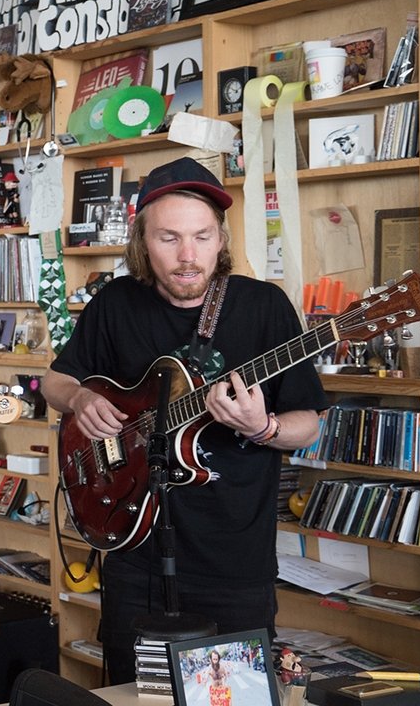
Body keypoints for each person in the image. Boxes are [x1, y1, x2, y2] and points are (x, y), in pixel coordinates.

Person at [40, 157, 327, 684]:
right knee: (134, 694)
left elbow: (307, 424)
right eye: (169, 238)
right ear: (142, 242)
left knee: (231, 696)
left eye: (201, 236)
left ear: (221, 239)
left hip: (233, 561)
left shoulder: (265, 307)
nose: (188, 256)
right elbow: (53, 382)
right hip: (132, 548)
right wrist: (80, 399)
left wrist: (261, 427)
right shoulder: (115, 303)